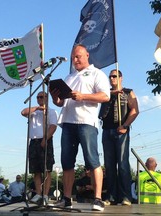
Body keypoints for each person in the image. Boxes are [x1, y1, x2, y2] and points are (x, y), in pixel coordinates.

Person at [50, 44, 110, 211]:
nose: (75, 60)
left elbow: (105, 96)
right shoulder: (69, 77)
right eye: (73, 57)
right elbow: (62, 102)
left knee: (92, 160)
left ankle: (98, 199)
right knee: (67, 162)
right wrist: (56, 99)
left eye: (78, 56)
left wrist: (83, 96)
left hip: (86, 122)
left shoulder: (97, 73)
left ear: (87, 55)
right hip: (68, 122)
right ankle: (67, 198)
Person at [98, 69, 139, 206]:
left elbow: (135, 109)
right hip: (106, 130)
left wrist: (125, 125)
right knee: (109, 165)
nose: (112, 78)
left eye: (114, 76)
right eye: (110, 76)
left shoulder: (128, 92)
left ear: (121, 78)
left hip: (121, 130)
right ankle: (111, 195)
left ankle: (126, 196)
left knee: (122, 164)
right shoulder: (106, 93)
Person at [21, 91, 58, 204]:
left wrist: (45, 138)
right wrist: (38, 108)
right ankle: (38, 193)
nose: (40, 99)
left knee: (46, 169)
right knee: (36, 170)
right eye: (38, 97)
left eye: (42, 97)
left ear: (46, 98)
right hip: (33, 141)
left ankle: (45, 194)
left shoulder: (51, 111)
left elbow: (53, 126)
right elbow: (23, 112)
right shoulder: (34, 111)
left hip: (44, 139)